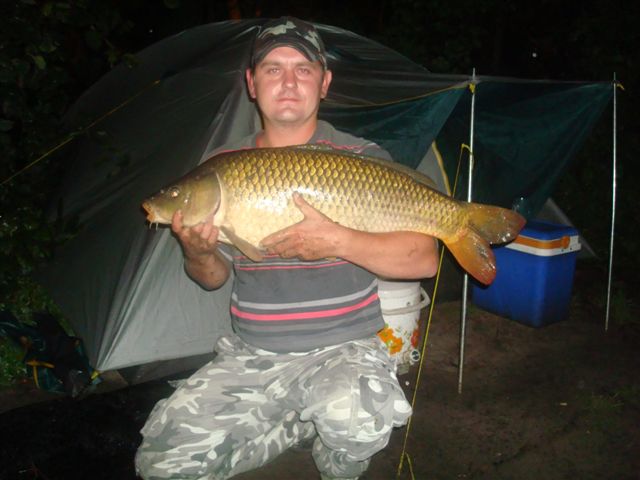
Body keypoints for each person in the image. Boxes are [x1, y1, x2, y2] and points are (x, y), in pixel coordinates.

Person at [135, 17, 438, 480]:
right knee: (161, 463)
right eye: (273, 69)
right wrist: (198, 252)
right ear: (252, 84)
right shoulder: (222, 166)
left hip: (345, 350)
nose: (289, 82)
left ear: (325, 82)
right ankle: (293, 424)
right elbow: (212, 279)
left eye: (303, 69)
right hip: (253, 353)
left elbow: (424, 259)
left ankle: (335, 458)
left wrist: (337, 240)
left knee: (357, 421)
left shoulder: (362, 159)